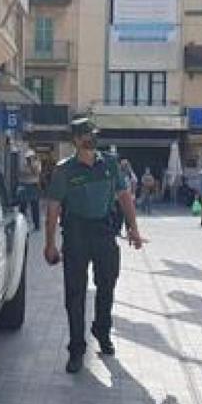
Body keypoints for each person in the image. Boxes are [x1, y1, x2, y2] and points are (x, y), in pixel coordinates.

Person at [44, 118, 146, 374]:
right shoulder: (64, 170)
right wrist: (50, 244)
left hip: (103, 231)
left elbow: (124, 197)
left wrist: (133, 228)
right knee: (75, 293)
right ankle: (77, 349)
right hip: (76, 233)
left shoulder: (110, 164)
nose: (92, 138)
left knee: (107, 285)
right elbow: (53, 208)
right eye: (87, 134)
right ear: (76, 140)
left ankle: (102, 330)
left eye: (94, 133)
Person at [18, 149, 42, 231]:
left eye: (30, 157)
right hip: (24, 185)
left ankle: (37, 225)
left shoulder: (37, 163)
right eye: (27, 158)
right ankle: (22, 225)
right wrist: (28, 169)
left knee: (35, 206)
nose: (29, 159)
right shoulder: (22, 164)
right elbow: (21, 172)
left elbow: (36, 173)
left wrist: (31, 165)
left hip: (33, 185)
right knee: (23, 206)